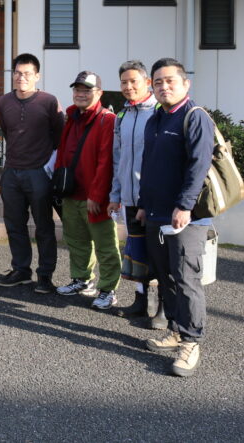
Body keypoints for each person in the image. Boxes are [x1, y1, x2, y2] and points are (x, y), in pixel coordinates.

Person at [137, 57, 215, 377]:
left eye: (170, 80)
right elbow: (149, 165)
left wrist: (184, 206)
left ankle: (191, 341)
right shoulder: (156, 118)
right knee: (165, 275)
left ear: (185, 84)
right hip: (156, 213)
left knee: (186, 279)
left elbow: (199, 166)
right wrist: (143, 204)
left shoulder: (195, 117)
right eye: (158, 82)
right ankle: (175, 329)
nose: (164, 86)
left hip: (186, 217)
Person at [0, 53, 64, 293]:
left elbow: (59, 136)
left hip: (39, 173)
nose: (21, 77)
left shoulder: (49, 101)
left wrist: (48, 167)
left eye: (27, 73)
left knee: (43, 226)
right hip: (12, 172)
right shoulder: (4, 101)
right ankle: (21, 270)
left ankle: (45, 275)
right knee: (14, 224)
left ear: (37, 76)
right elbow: (7, 131)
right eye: (17, 73)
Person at [53, 71, 120, 310]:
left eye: (87, 90)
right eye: (77, 90)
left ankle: (108, 289)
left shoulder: (107, 120)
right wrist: (59, 185)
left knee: (105, 244)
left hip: (94, 197)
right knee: (76, 241)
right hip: (71, 192)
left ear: (99, 93)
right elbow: (62, 152)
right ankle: (81, 279)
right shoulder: (71, 117)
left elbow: (106, 161)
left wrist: (97, 194)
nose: (81, 94)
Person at [106, 60, 163, 324]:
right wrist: (115, 196)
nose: (128, 87)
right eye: (124, 82)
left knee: (160, 254)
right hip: (130, 197)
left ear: (147, 83)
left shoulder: (160, 111)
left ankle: (163, 308)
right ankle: (141, 301)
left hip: (155, 199)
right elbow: (118, 159)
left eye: (134, 81)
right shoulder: (122, 116)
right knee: (137, 250)